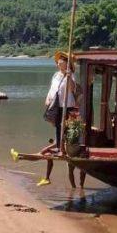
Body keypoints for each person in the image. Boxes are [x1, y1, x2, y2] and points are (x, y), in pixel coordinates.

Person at [38, 52, 77, 187]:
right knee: (57, 126)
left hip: (67, 104)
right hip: (56, 104)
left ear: (67, 63)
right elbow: (52, 89)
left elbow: (73, 89)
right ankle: (60, 146)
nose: (59, 63)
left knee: (64, 126)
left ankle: (63, 148)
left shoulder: (70, 75)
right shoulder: (56, 75)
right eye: (59, 62)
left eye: (62, 61)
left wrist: (68, 76)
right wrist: (48, 99)